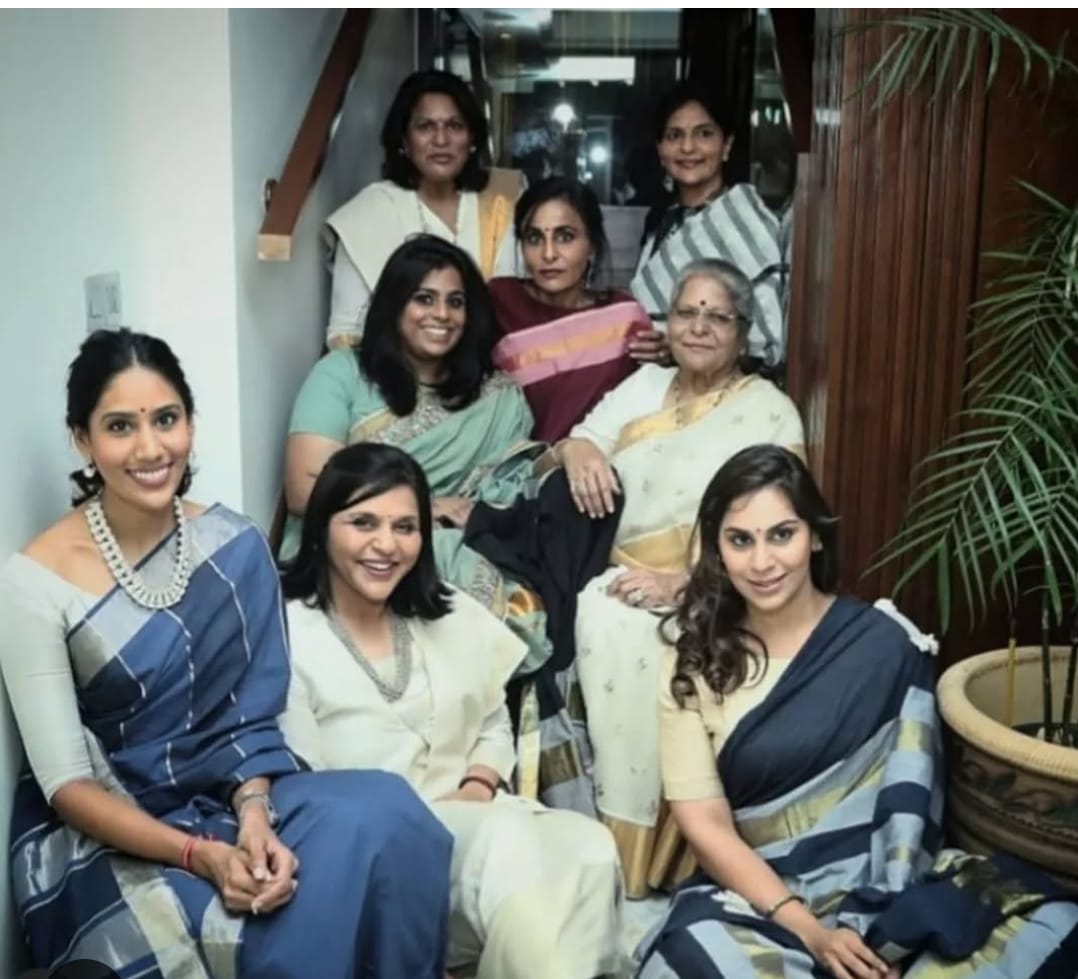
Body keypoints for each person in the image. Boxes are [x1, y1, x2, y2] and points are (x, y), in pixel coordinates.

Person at [0, 329, 452, 978]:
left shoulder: (231, 542)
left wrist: (256, 818)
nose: (151, 447)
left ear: (190, 422)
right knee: (276, 922)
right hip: (118, 822)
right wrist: (199, 854)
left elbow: (251, 718)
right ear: (82, 439)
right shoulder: (34, 582)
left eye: (166, 419)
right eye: (120, 426)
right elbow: (67, 784)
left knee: (389, 813)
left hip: (235, 793)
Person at [636, 444, 1078, 978]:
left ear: (815, 535)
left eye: (782, 534)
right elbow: (704, 824)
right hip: (763, 894)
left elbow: (908, 809)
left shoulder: (883, 646)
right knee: (690, 961)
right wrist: (810, 929)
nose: (762, 562)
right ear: (716, 550)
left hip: (888, 884)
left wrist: (878, 921)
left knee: (1044, 929)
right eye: (740, 540)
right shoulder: (692, 661)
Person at [278, 442, 626, 979]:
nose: (385, 545)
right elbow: (299, 787)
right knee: (520, 856)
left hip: (478, 821)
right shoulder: (288, 634)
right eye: (363, 522)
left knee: (590, 846)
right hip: (379, 858)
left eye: (404, 527)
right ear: (323, 527)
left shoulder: (445, 611)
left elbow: (492, 719)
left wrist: (480, 785)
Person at [558, 258, 805, 897]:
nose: (698, 327)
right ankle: (616, 844)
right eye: (686, 312)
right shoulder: (643, 387)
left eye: (716, 316)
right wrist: (581, 449)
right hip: (621, 576)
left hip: (720, 589)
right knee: (601, 611)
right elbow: (580, 439)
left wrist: (686, 585)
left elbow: (777, 525)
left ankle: (660, 860)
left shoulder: (769, 412)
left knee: (659, 637)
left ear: (743, 333)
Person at [284, 235, 549, 668]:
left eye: (456, 301)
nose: (441, 315)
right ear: (395, 306)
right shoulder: (343, 374)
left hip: (462, 543)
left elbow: (509, 487)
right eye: (424, 299)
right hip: (350, 546)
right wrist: (423, 509)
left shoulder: (496, 397)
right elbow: (302, 489)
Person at [325, 69, 523, 348]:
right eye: (425, 126)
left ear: (473, 139)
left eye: (455, 125)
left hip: (492, 372)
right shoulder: (368, 214)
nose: (441, 140)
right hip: (394, 379)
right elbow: (345, 334)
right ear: (404, 141)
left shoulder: (503, 202)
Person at [487, 176, 665, 443]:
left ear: (592, 245)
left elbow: (641, 416)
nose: (548, 254)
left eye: (565, 237)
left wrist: (670, 355)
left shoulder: (623, 318)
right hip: (508, 472)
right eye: (534, 238)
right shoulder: (499, 301)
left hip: (596, 474)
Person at [630, 79, 788, 368]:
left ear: (726, 145)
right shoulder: (662, 222)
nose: (687, 147)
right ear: (660, 150)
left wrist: (680, 347)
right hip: (658, 393)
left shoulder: (747, 222)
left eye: (704, 134)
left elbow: (767, 338)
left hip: (725, 396)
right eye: (674, 135)